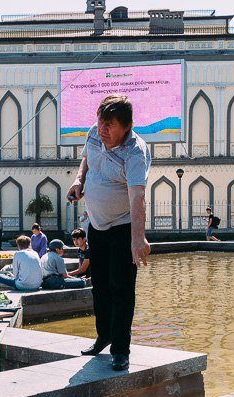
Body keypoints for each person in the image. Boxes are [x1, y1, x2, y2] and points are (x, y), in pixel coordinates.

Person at [66, 94, 151, 371]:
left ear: (126, 126)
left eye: (109, 125)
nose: (102, 129)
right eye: (100, 122)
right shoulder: (94, 132)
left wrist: (137, 239)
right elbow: (87, 161)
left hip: (123, 226)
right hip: (97, 225)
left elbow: (137, 197)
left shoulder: (135, 152)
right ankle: (103, 335)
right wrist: (79, 181)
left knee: (121, 288)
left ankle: (120, 349)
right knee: (99, 285)